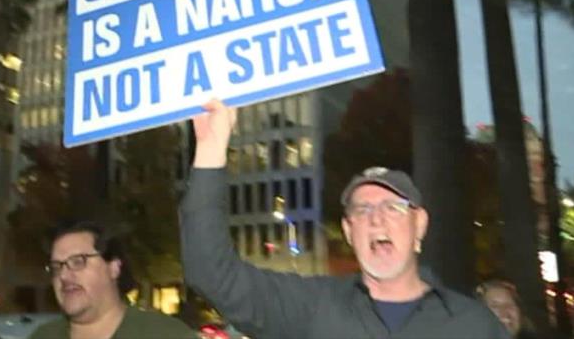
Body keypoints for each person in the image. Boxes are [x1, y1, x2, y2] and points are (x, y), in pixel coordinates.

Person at [180, 99, 510, 338]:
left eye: (392, 207)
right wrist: (211, 148)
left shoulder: (475, 326)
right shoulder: (313, 307)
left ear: (419, 225)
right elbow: (212, 273)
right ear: (349, 232)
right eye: (362, 211)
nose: (376, 219)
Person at [29, 220, 196, 339]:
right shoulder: (43, 336)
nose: (64, 276)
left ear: (114, 268)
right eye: (57, 267)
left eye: (78, 262)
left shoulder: (165, 335)